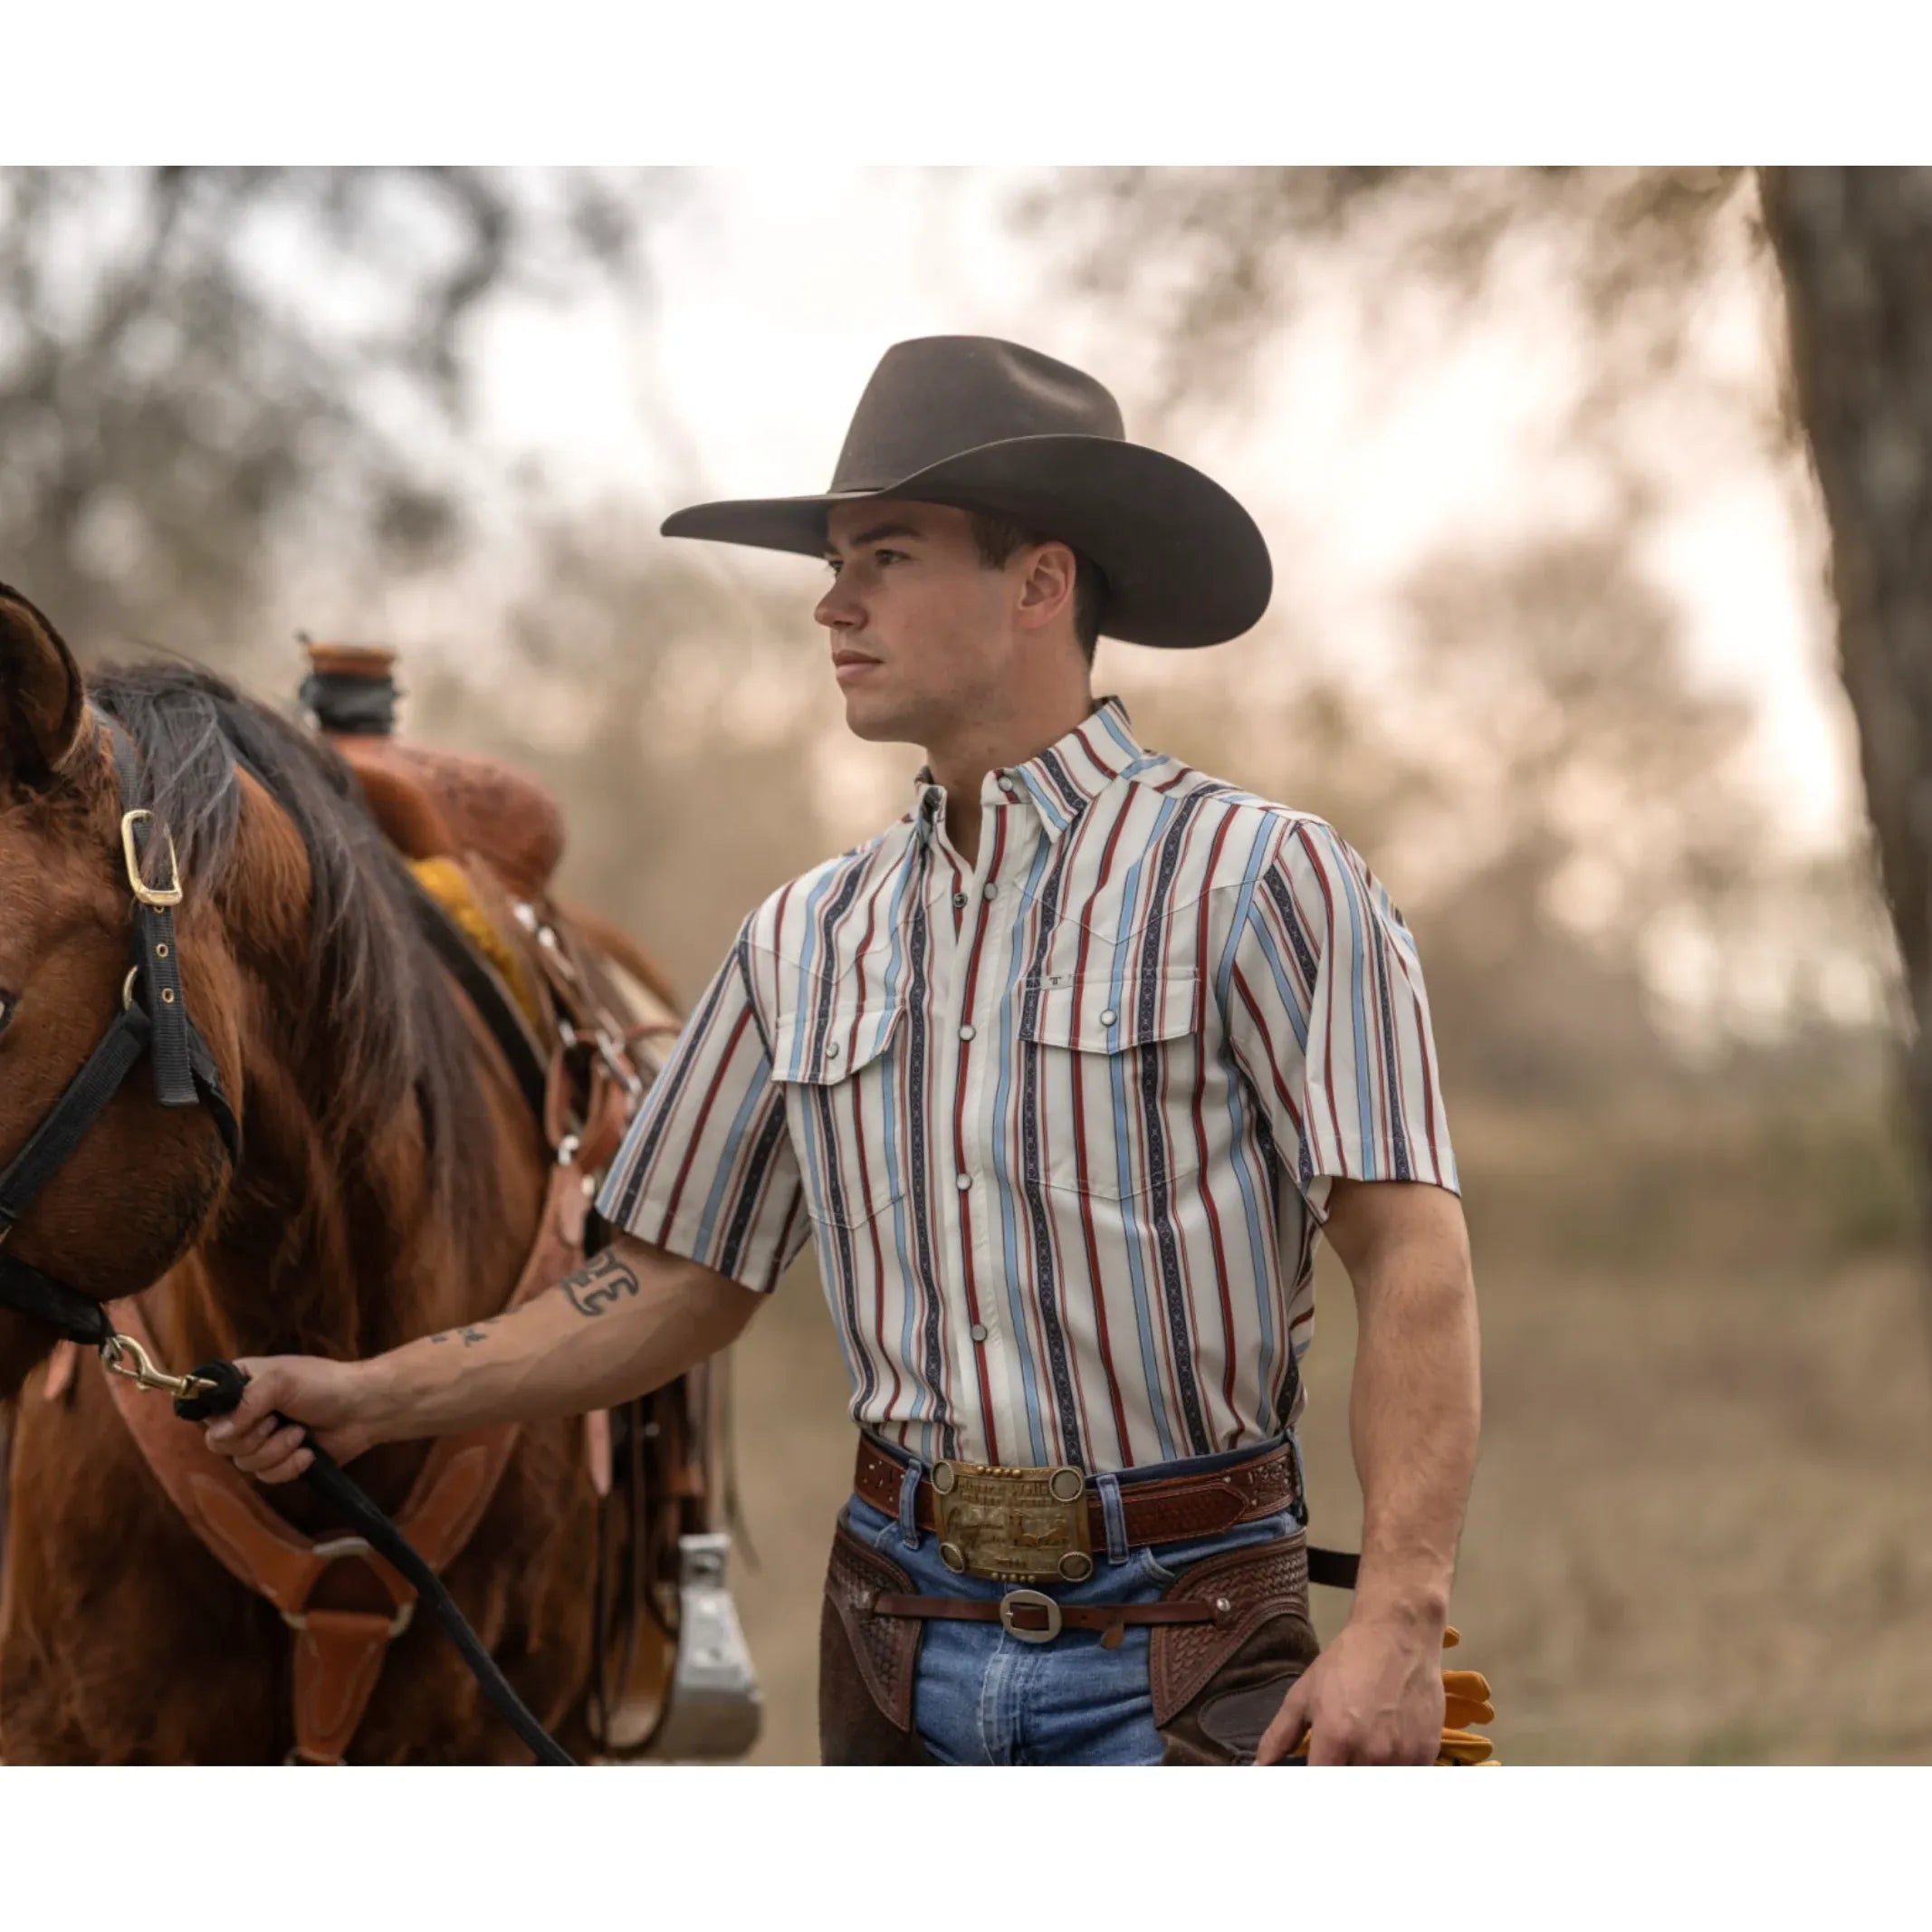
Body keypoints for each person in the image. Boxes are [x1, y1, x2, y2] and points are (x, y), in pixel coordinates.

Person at [203, 335, 1480, 1766]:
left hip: (1189, 1636)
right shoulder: (804, 939)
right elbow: (675, 1278)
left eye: (882, 555)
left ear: (1039, 584)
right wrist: (372, 1394)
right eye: (831, 561)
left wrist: (1399, 1616)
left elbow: (1406, 1251)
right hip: (893, 1636)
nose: (829, 602)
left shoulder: (1263, 879)